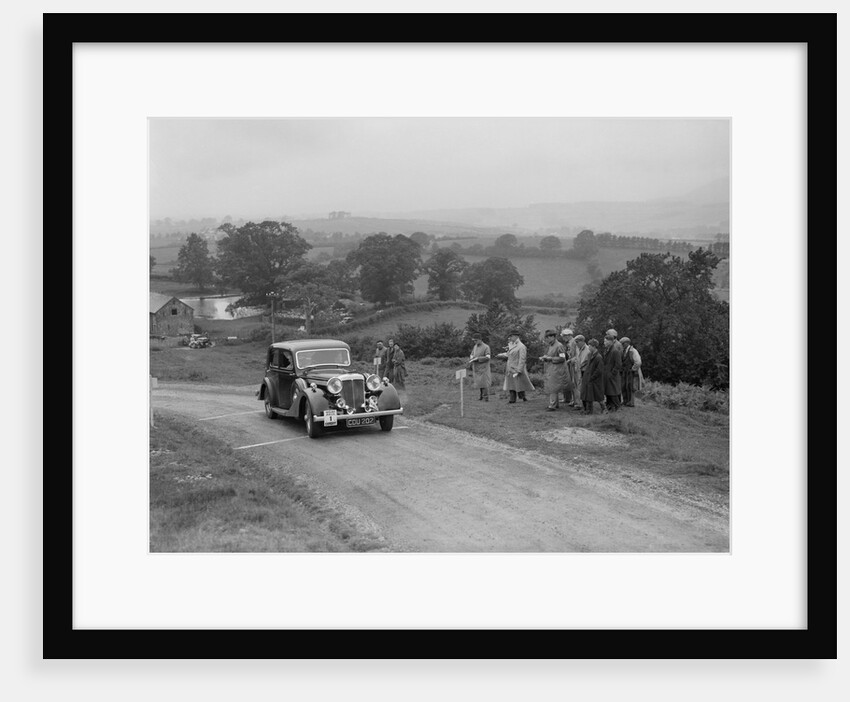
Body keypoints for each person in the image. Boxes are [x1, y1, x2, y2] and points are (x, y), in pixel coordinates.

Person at [496, 329, 534, 403]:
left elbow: (522, 360)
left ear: (516, 336)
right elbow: (509, 355)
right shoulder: (511, 344)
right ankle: (513, 399)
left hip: (516, 368)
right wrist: (501, 355)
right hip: (510, 367)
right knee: (511, 384)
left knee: (519, 383)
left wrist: (519, 370)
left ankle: (521, 397)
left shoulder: (521, 346)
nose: (509, 338)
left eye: (511, 336)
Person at [539, 329, 569, 411]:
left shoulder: (559, 346)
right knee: (552, 387)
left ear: (553, 337)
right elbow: (549, 355)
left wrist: (550, 358)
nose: (547, 339)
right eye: (546, 337)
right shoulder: (550, 345)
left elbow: (563, 358)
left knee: (553, 387)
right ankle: (555, 404)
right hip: (551, 369)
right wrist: (544, 358)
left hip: (557, 370)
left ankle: (552, 405)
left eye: (549, 337)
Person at [580, 339, 606, 414]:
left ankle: (604, 409)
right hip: (588, 378)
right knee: (588, 395)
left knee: (598, 395)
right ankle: (588, 410)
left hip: (595, 379)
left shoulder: (598, 357)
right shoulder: (590, 355)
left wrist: (592, 377)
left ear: (594, 347)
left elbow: (599, 370)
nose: (588, 348)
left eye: (590, 346)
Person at [619, 336, 643, 407]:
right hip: (624, 372)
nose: (622, 345)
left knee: (630, 387)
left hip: (631, 372)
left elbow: (638, 362)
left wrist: (633, 369)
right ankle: (625, 401)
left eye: (623, 343)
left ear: (627, 343)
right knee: (623, 386)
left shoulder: (633, 351)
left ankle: (631, 402)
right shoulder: (623, 351)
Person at [602, 329, 623, 411]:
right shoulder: (607, 350)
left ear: (610, 341)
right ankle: (610, 406)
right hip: (607, 374)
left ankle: (617, 407)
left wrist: (612, 374)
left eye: (605, 341)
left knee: (613, 392)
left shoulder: (615, 351)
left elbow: (618, 364)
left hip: (612, 375)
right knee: (608, 392)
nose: (604, 343)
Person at [468, 332, 492, 401]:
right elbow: (472, 353)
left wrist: (478, 359)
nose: (474, 342)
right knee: (479, 382)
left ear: (480, 339)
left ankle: (486, 397)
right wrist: (471, 357)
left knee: (484, 383)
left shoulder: (486, 347)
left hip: (484, 368)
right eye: (474, 340)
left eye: (476, 340)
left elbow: (488, 357)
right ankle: (481, 396)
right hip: (476, 368)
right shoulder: (475, 346)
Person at [559, 328, 578, 407]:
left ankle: (575, 400)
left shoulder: (573, 343)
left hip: (573, 365)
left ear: (568, 336)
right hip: (569, 364)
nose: (563, 338)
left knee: (574, 383)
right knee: (569, 382)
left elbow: (576, 355)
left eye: (564, 336)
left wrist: (569, 361)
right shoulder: (568, 343)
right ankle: (570, 399)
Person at [572, 334, 590, 411]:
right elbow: (577, 357)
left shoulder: (587, 349)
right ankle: (580, 404)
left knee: (584, 388)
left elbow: (585, 361)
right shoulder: (577, 348)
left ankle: (586, 406)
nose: (576, 343)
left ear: (582, 341)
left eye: (577, 342)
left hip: (584, 371)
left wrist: (579, 366)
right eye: (575, 342)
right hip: (578, 370)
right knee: (578, 387)